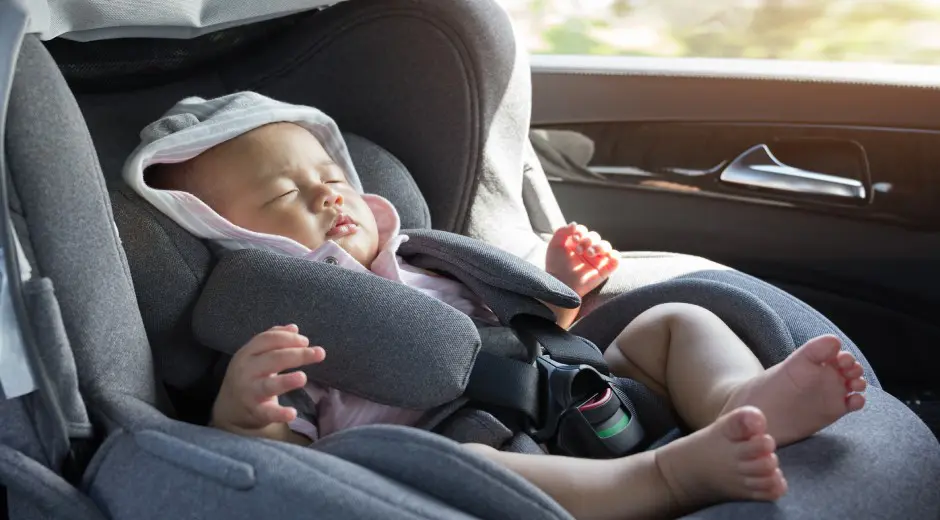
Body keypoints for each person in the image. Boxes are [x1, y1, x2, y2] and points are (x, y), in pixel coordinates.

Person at [126, 92, 867, 520]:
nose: (326, 192)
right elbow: (304, 466)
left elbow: (522, 342)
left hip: (570, 391)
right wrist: (243, 417)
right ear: (224, 232)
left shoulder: (423, 257)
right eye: (284, 194)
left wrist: (564, 289)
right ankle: (669, 477)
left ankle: (742, 397)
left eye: (329, 174)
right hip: (480, 456)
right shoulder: (277, 334)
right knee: (471, 460)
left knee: (672, 324)